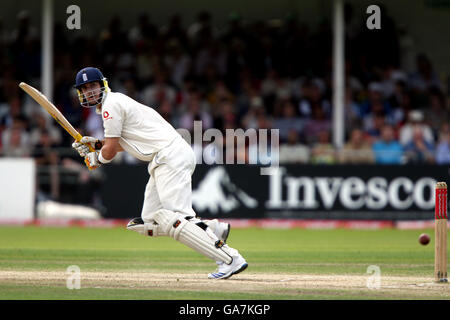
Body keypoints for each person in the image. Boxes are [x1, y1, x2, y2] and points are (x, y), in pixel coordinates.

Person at [71, 67, 247, 279]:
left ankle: (230, 259)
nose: (89, 91)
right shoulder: (115, 103)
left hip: (169, 157)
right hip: (164, 157)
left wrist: (96, 158)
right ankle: (211, 229)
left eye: (92, 86)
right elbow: (121, 144)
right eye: (84, 89)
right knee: (148, 221)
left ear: (103, 84)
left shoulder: (111, 106)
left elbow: (110, 151)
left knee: (176, 217)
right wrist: (98, 145)